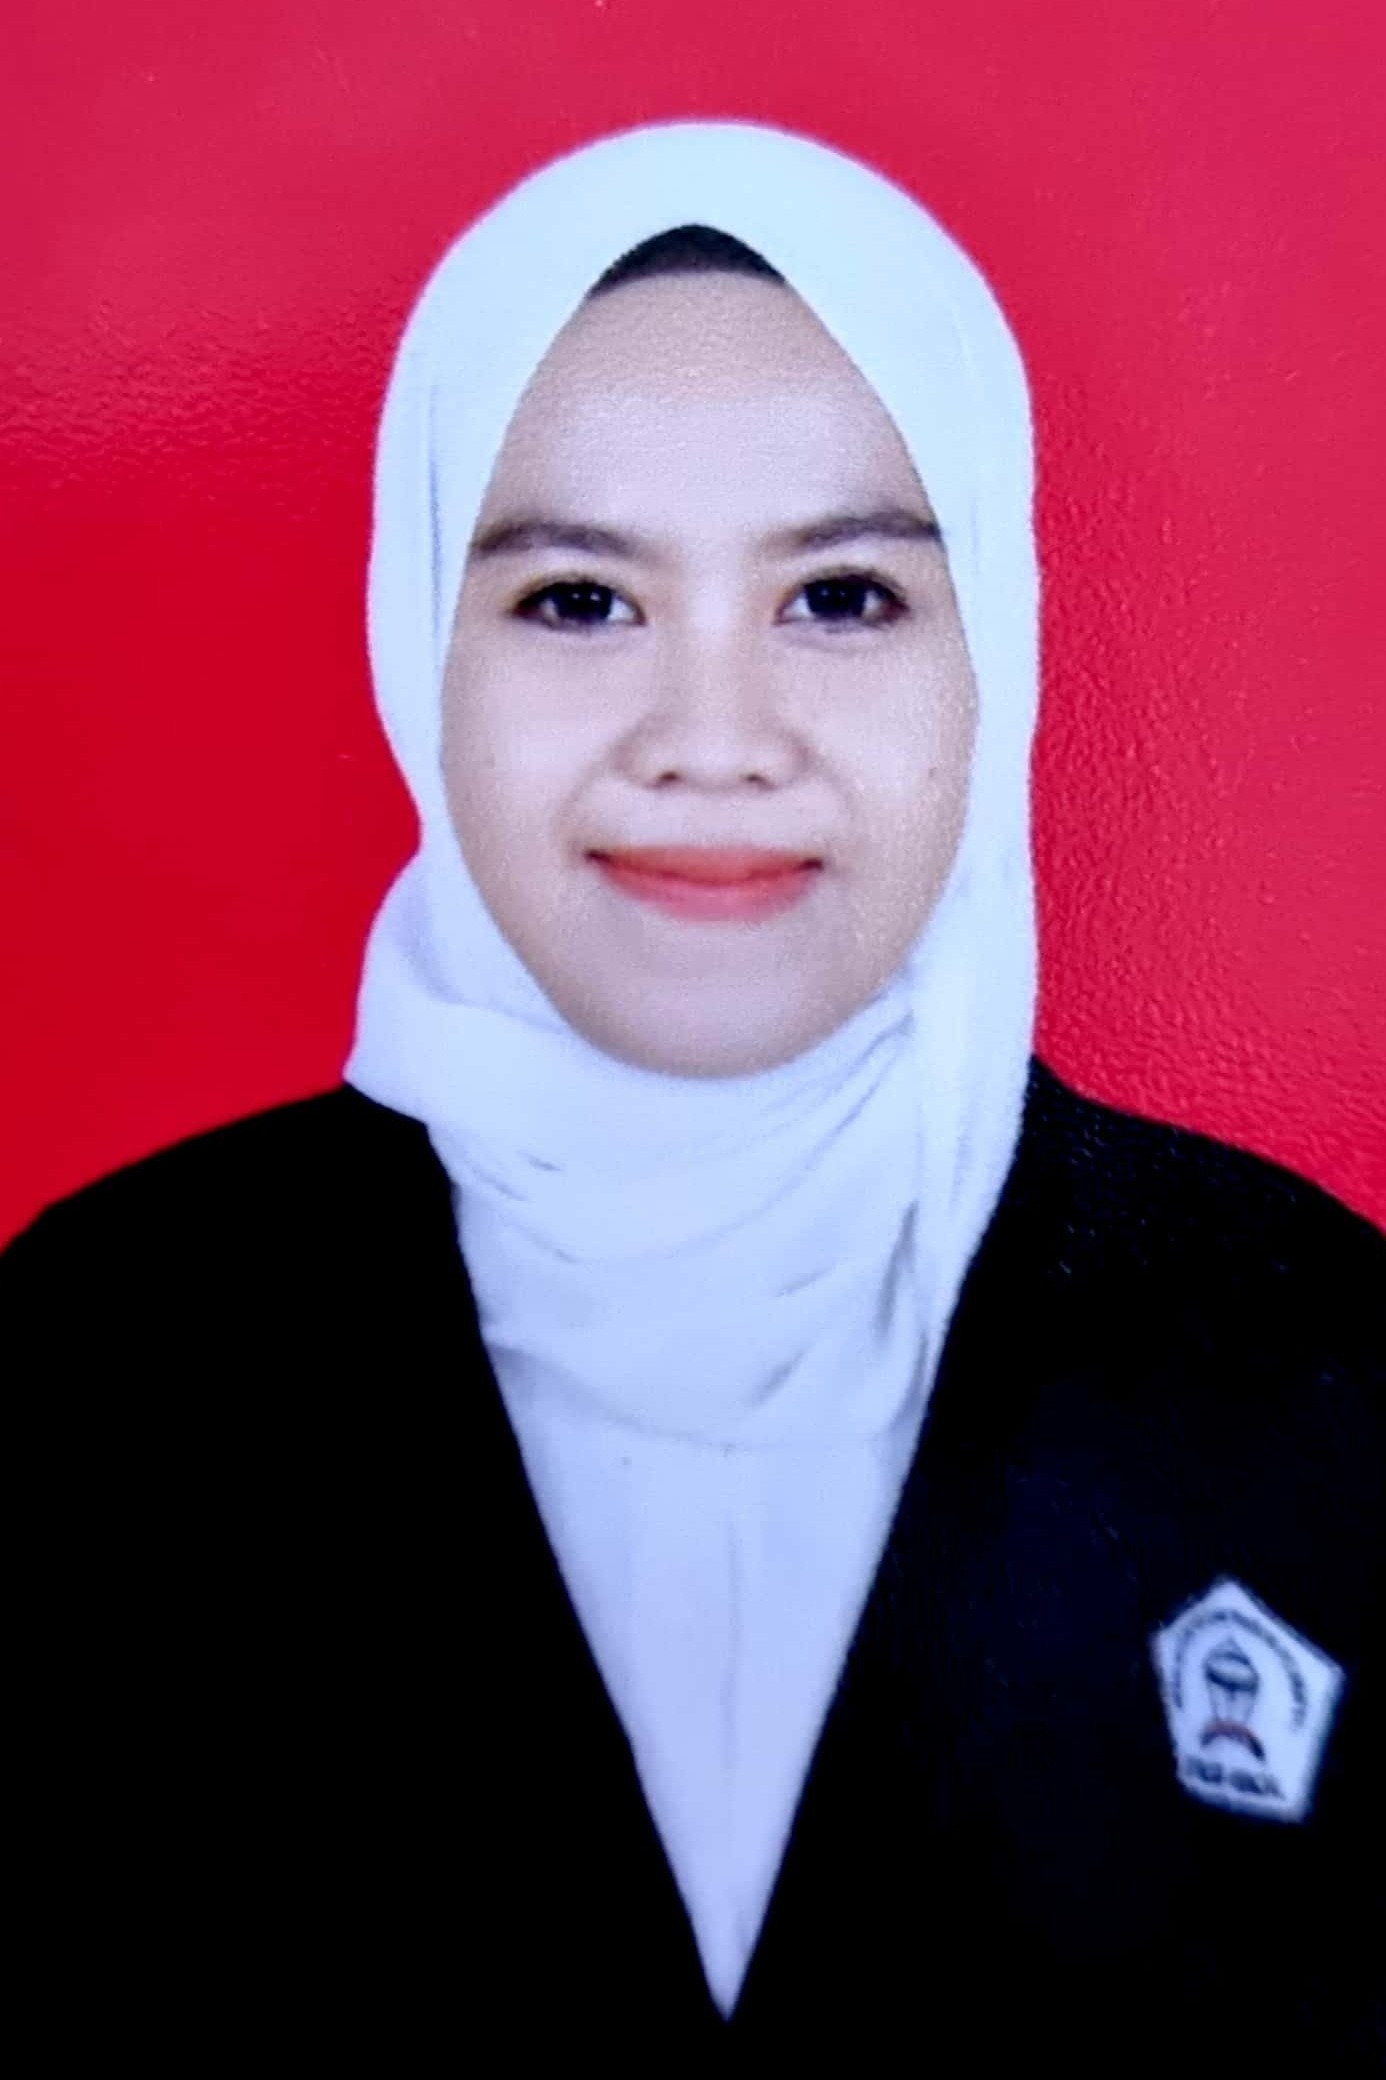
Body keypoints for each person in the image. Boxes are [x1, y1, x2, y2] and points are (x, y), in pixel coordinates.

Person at [7, 120, 1382, 2063]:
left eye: (841, 597)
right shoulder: (102, 1348)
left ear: (994, 647)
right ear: (418, 648)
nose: (713, 739)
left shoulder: (1305, 1347)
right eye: (580, 600)